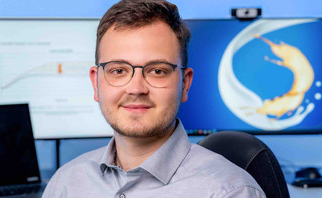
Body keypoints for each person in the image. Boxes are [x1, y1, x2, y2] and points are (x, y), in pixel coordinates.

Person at [42, 0, 266, 197]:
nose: (136, 88)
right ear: (96, 83)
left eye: (157, 71)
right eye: (118, 71)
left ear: (185, 84)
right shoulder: (65, 184)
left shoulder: (230, 192)